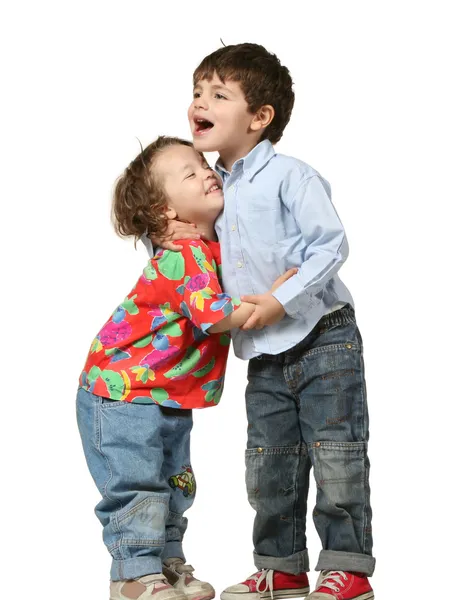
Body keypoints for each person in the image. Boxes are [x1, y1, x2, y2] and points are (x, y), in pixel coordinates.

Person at [154, 44, 375, 600]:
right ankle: (281, 567)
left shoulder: (290, 177)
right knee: (268, 462)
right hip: (263, 350)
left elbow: (330, 247)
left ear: (259, 118)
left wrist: (282, 299)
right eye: (197, 92)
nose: (199, 102)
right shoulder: (210, 191)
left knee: (336, 454)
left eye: (218, 95)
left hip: (324, 336)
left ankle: (347, 568)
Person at [76, 134, 296, 600]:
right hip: (122, 393)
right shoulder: (183, 255)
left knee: (176, 482)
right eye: (190, 173)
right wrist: (275, 302)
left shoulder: (210, 251)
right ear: (166, 215)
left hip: (164, 394)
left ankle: (167, 563)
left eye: (203, 164)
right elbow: (214, 315)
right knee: (138, 483)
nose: (207, 172)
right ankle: (133, 574)